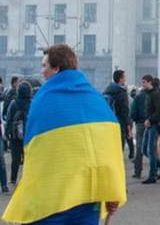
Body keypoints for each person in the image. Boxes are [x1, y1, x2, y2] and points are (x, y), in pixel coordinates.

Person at [2, 44, 125, 224]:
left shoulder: (44, 99)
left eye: (44, 66)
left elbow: (35, 151)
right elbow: (107, 149)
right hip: (88, 199)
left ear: (56, 68)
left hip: (51, 201)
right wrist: (111, 189)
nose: (42, 71)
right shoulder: (95, 98)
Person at [141, 75, 160, 184]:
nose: (142, 84)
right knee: (145, 150)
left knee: (151, 150)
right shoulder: (149, 94)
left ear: (149, 82)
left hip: (154, 125)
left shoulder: (155, 94)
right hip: (150, 124)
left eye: (144, 82)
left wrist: (150, 120)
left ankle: (153, 175)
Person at [5, 81, 33, 187]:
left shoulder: (13, 103)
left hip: (15, 135)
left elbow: (9, 119)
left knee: (15, 159)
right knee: (27, 158)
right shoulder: (32, 103)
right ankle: (26, 179)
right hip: (28, 136)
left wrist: (8, 133)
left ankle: (13, 179)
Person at [103, 70, 130, 154]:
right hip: (119, 121)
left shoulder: (107, 90)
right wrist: (128, 124)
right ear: (120, 79)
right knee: (119, 145)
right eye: (124, 77)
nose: (125, 79)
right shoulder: (121, 92)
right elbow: (125, 110)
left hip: (108, 121)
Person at [130, 86, 147, 179]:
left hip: (140, 124)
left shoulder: (138, 97)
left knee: (139, 148)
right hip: (150, 123)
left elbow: (133, 112)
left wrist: (135, 120)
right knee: (152, 148)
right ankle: (157, 169)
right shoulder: (151, 96)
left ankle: (138, 171)